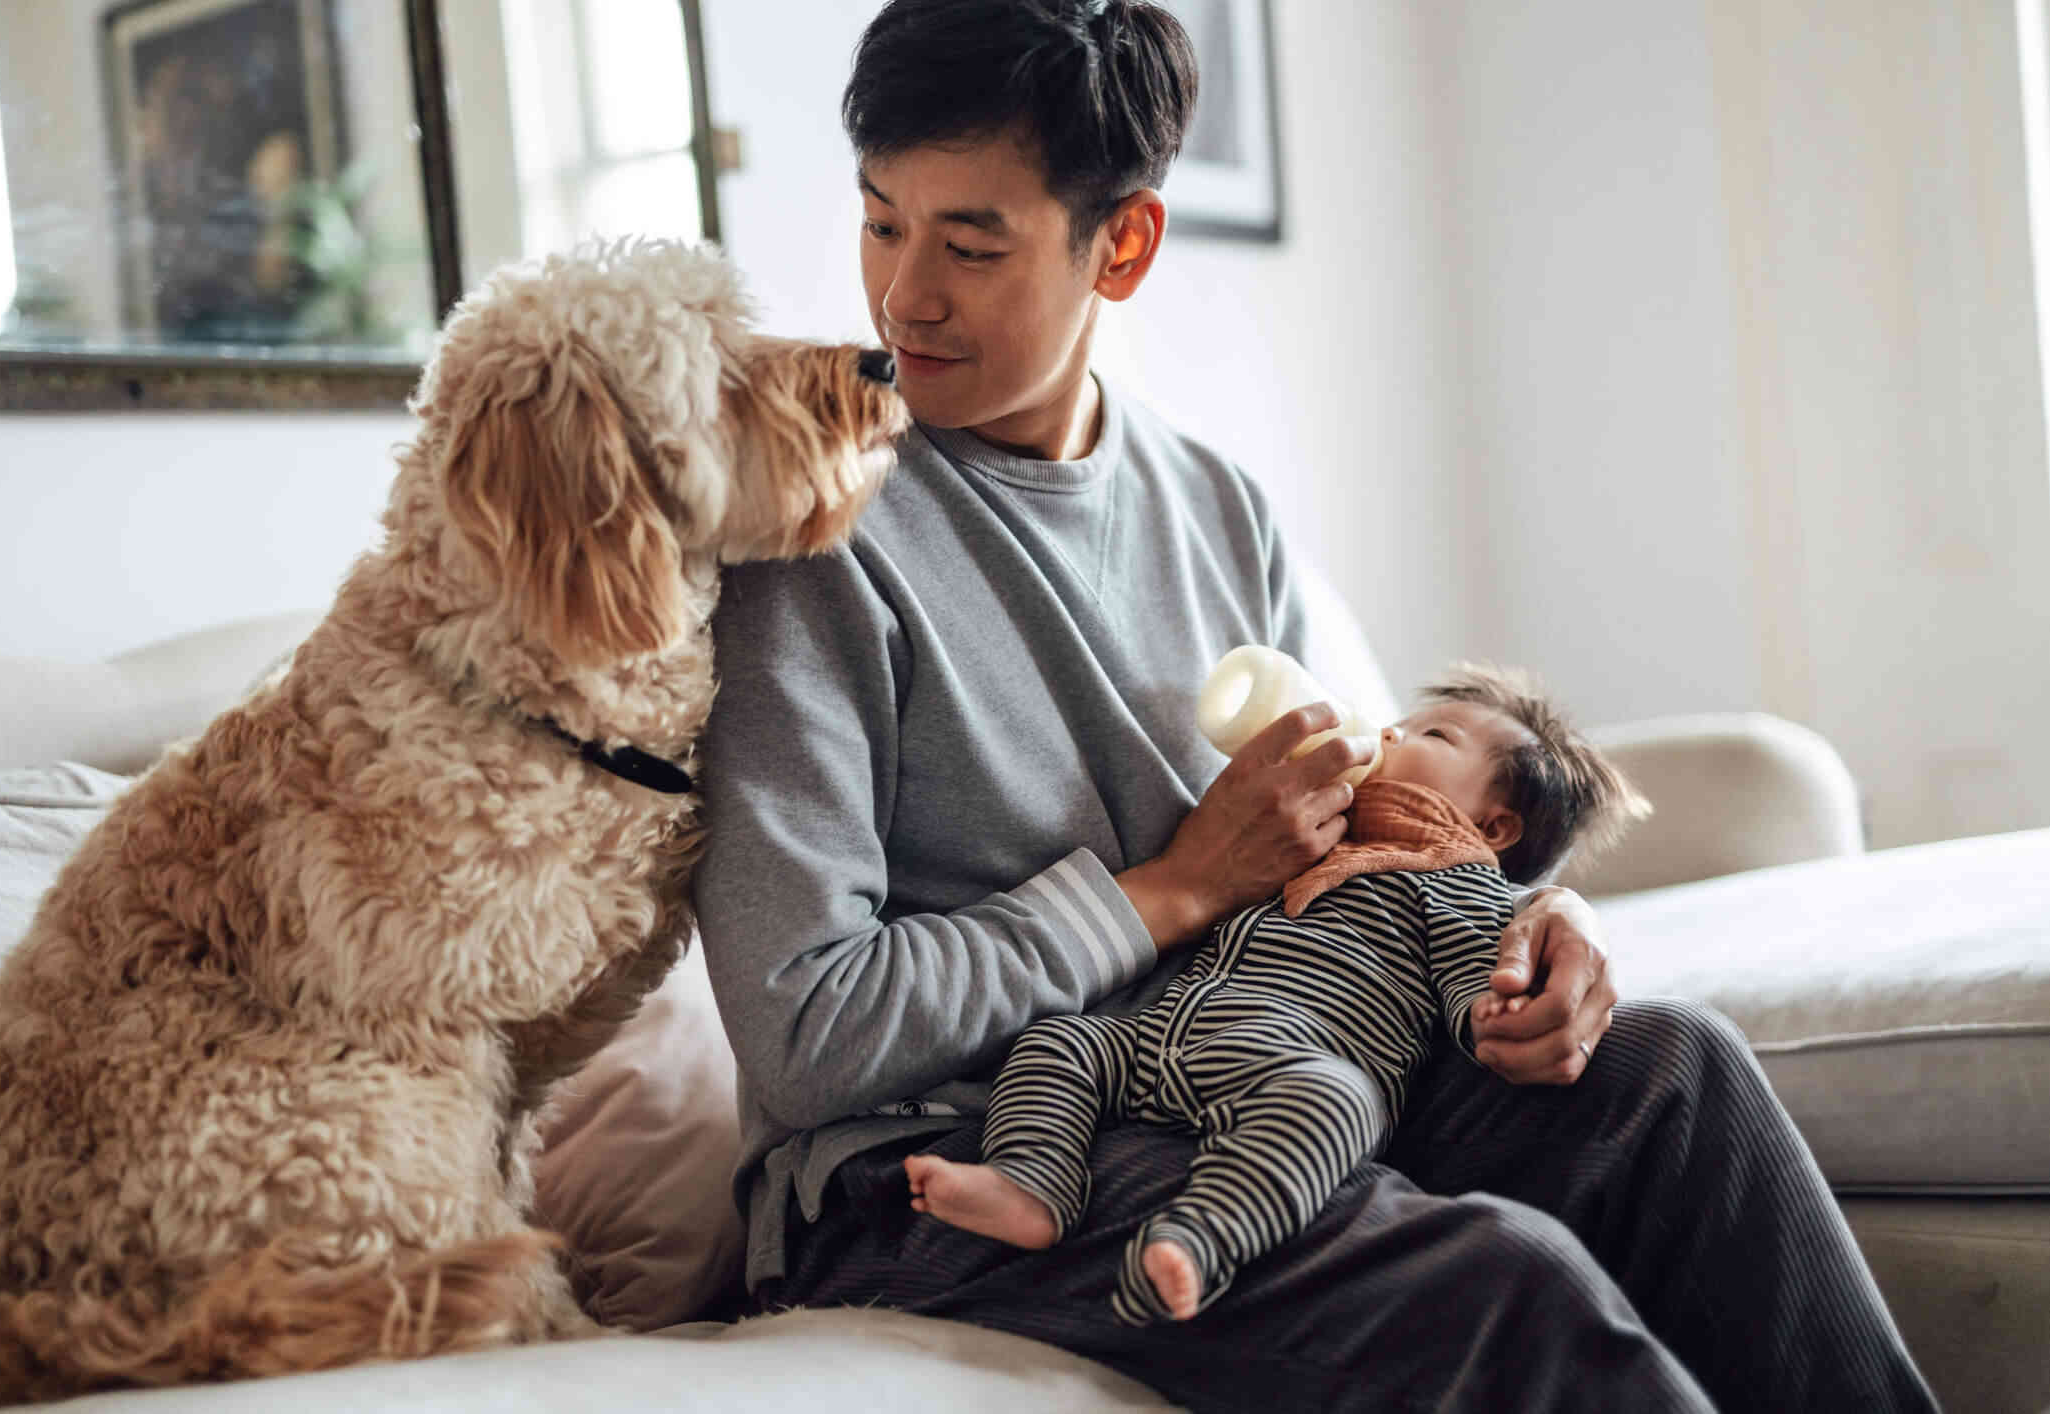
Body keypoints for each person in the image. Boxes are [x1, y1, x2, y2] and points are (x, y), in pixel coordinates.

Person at [692, 2, 1938, 1410]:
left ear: (1126, 243)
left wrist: (1536, 929)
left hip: (1235, 1073)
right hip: (923, 1168)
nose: (903, 296)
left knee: (1675, 1078)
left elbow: (1376, 839)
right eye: (878, 223)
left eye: (970, 244)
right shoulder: (811, 531)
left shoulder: (1221, 512)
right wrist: (1166, 889)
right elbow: (803, 1038)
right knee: (1499, 1286)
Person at [902, 667, 1652, 1325]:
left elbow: (1482, 975)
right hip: (1156, 1037)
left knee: (1335, 1104)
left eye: (1434, 735)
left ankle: (1199, 1240)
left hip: (1287, 1064)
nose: (1389, 730)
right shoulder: (1306, 832)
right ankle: (1032, 1182)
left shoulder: (1450, 884)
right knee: (1059, 1042)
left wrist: (1499, 1005)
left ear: (1493, 826)